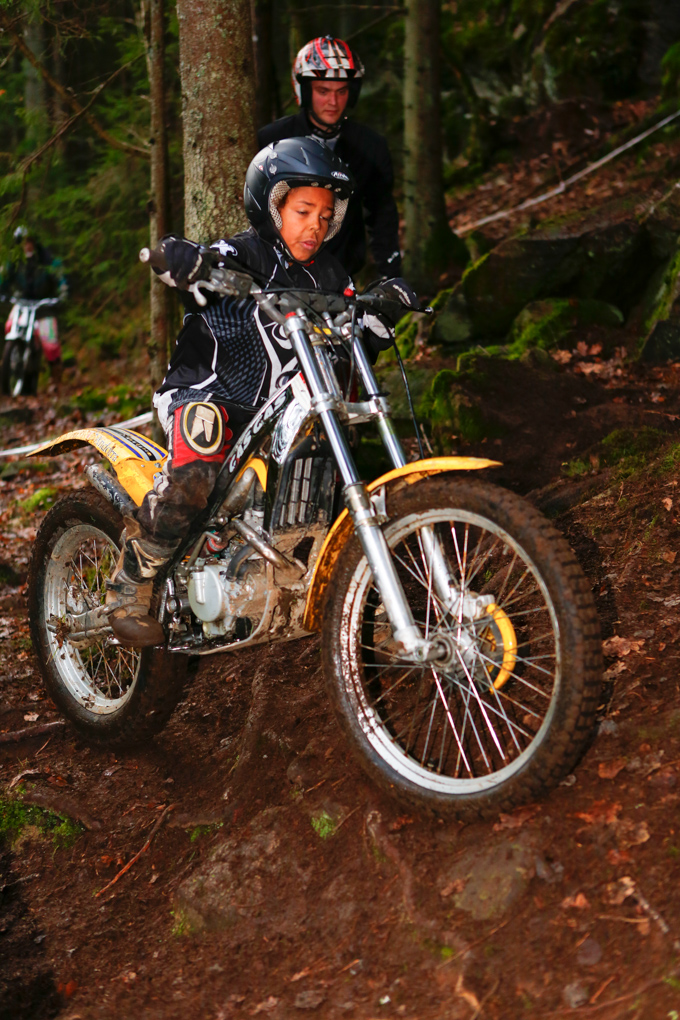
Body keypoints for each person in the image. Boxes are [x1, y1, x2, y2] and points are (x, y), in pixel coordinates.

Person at [105, 136, 408, 648]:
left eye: (325, 215)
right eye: (303, 211)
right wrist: (183, 258)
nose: (315, 225)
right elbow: (199, 263)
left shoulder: (332, 275)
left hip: (282, 412)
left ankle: (376, 611)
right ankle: (132, 581)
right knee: (195, 472)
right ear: (272, 205)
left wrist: (383, 308)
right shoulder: (242, 254)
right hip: (208, 395)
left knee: (339, 480)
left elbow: (354, 330)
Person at [257, 35, 401, 281]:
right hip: (275, 275)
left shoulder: (370, 146)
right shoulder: (272, 140)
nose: (333, 102)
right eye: (323, 91)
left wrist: (391, 277)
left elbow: (382, 216)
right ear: (304, 91)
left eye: (341, 91)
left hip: (341, 276)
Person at [1, 226, 68, 384]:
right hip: (22, 303)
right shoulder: (14, 262)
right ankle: (12, 361)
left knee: (50, 344)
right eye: (22, 242)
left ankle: (55, 378)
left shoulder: (47, 261)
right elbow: (3, 278)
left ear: (35, 243)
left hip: (44, 306)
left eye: (29, 241)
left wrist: (62, 292)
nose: (26, 246)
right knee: (9, 326)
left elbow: (60, 277)